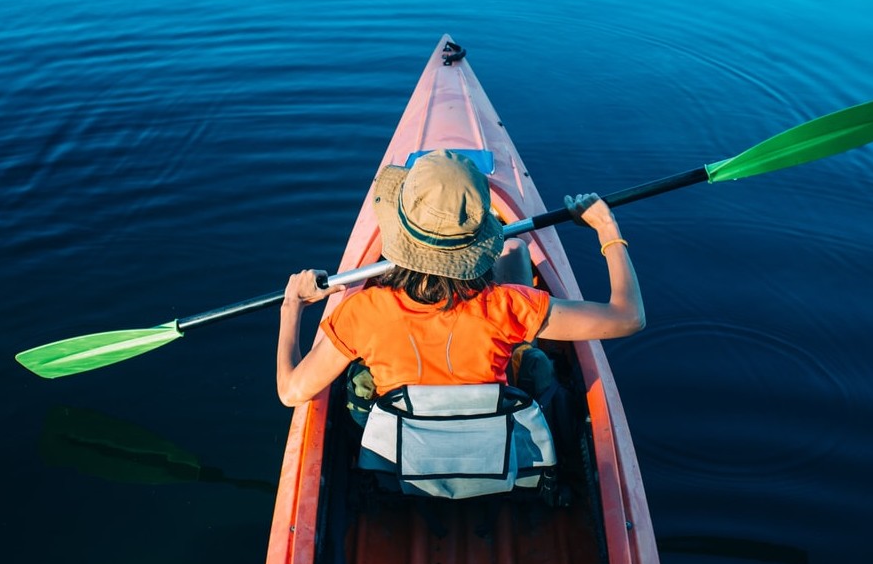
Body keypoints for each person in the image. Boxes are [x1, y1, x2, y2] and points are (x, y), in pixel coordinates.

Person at [275, 149, 644, 408]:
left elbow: (291, 392)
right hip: (496, 459)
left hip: (402, 467)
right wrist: (605, 227)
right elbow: (628, 318)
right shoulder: (511, 306)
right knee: (515, 251)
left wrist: (292, 306)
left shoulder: (361, 313)